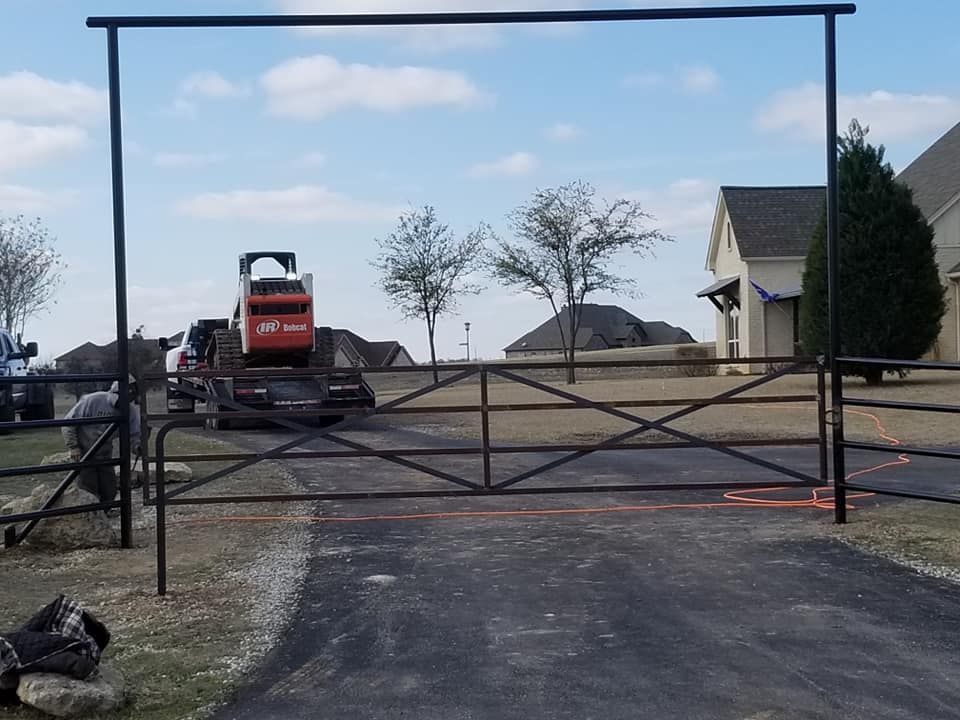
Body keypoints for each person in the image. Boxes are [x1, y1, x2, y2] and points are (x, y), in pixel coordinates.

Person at [62, 375, 141, 506]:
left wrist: (137, 446)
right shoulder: (93, 400)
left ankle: (104, 512)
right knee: (88, 488)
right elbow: (68, 423)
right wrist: (73, 446)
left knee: (109, 490)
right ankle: (91, 514)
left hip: (105, 454)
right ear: (114, 392)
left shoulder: (129, 411)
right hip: (84, 452)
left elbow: (134, 433)